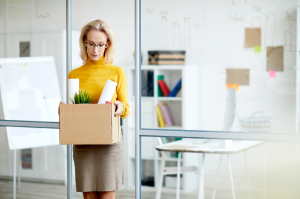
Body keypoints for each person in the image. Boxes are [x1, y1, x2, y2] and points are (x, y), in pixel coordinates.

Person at [58, 19, 130, 199]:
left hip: (109, 143)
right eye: (91, 44)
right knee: (88, 195)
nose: (95, 50)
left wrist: (119, 107)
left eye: (100, 45)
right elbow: (75, 111)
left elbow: (126, 108)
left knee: (107, 193)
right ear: (84, 42)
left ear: (108, 45)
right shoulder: (74, 74)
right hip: (84, 143)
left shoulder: (117, 72)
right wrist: (64, 111)